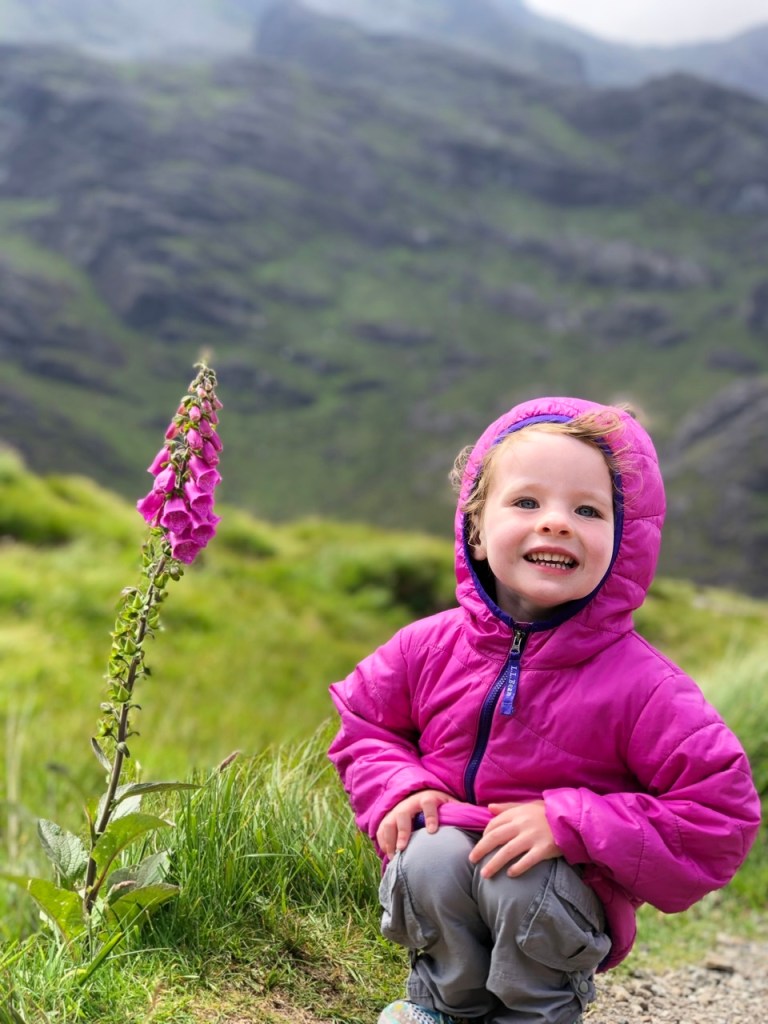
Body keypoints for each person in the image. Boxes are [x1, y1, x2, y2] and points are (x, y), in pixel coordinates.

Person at [328, 396, 761, 1024]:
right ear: (476, 524)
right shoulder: (429, 645)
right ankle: (445, 1007)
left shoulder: (645, 686)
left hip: (556, 892)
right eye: (527, 502)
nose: (556, 523)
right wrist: (399, 785)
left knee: (518, 879)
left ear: (624, 541)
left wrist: (572, 823)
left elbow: (722, 814)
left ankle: (540, 1014)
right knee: (430, 854)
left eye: (588, 510)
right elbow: (365, 724)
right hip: (449, 864)